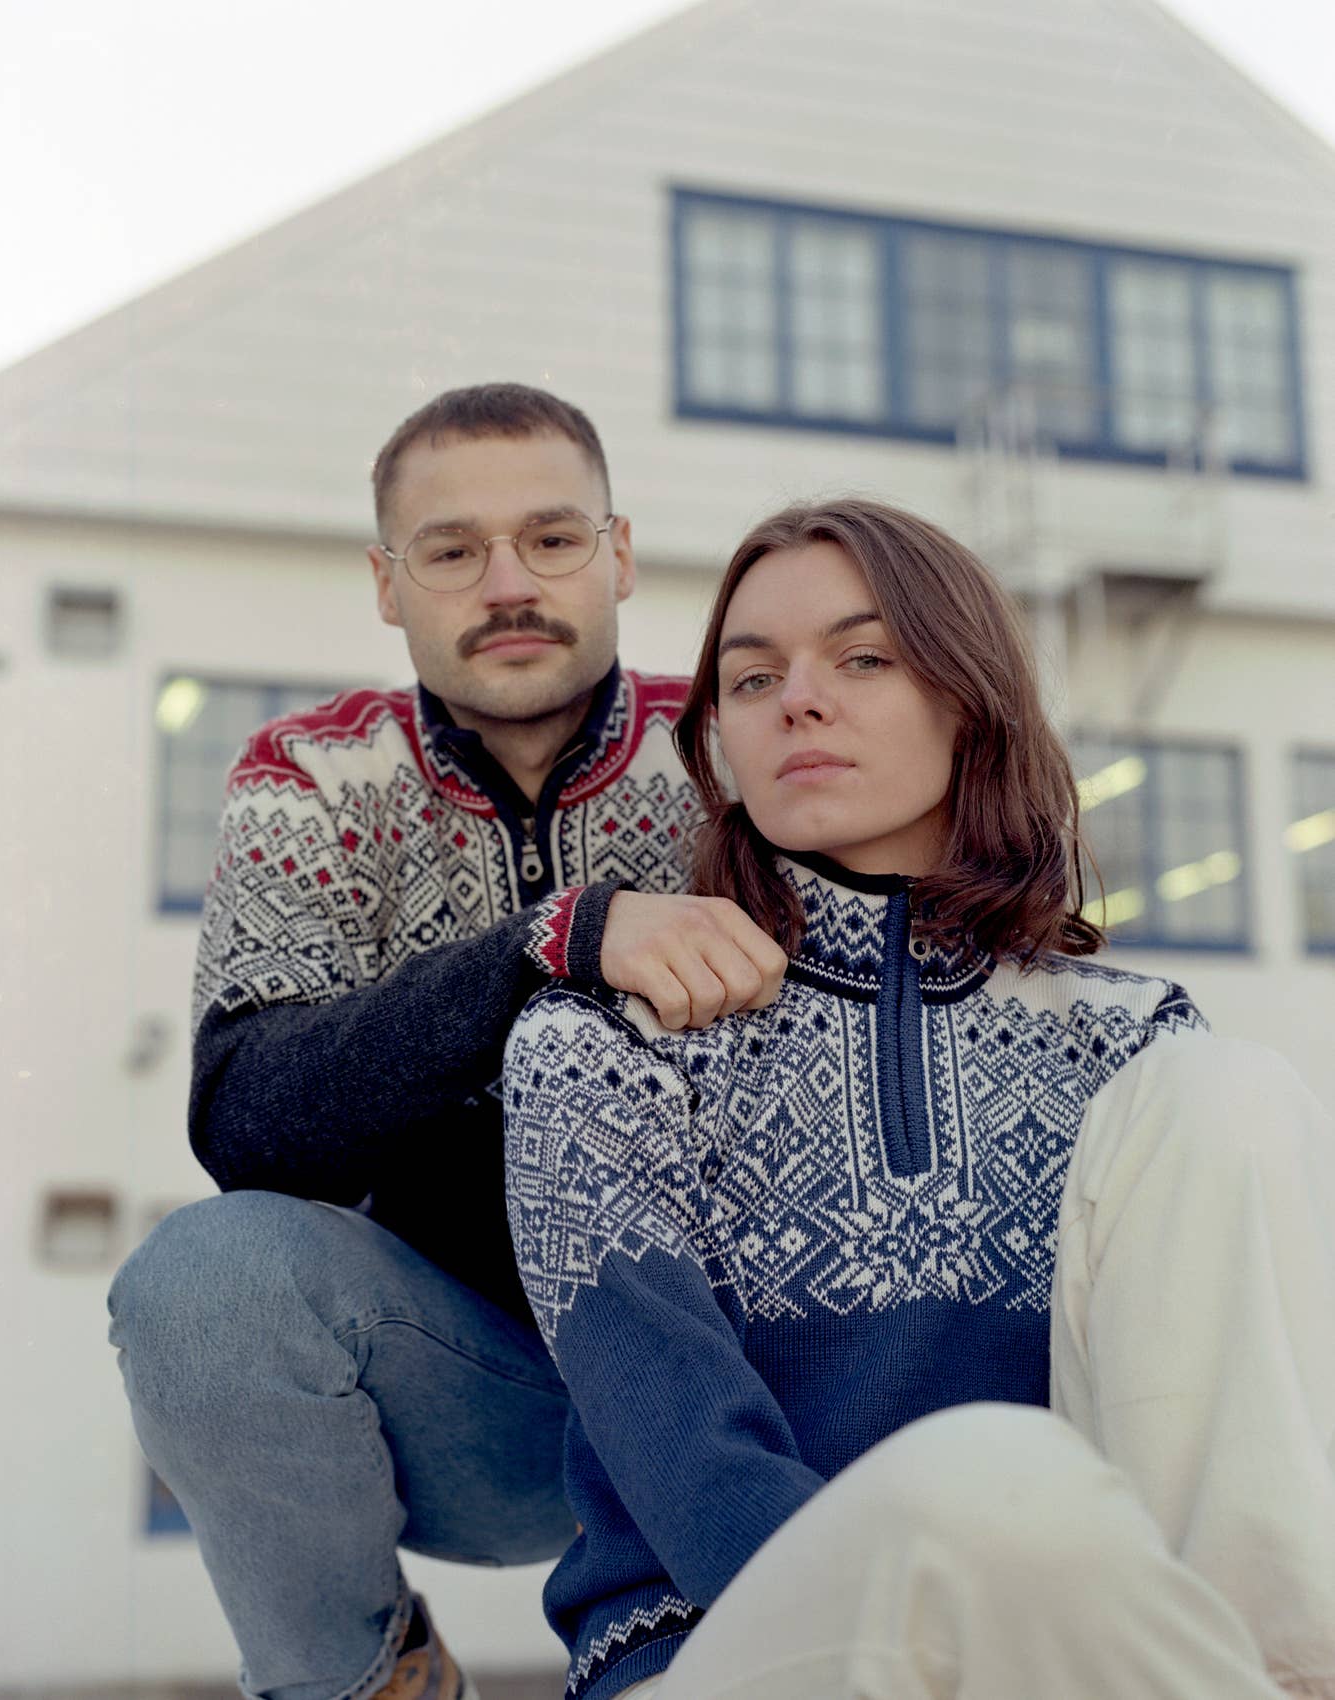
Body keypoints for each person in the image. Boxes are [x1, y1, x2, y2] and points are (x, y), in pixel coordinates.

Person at [502, 497, 1335, 1700]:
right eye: (750, 677)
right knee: (990, 1473)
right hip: (732, 1653)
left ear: (966, 696)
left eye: (862, 657)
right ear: (721, 744)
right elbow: (689, 1468)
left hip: (1088, 1654)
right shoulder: (603, 1041)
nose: (797, 698)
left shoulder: (1133, 1040)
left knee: (1230, 1090)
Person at [107, 383, 788, 1700]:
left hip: (745, 1388)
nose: (507, 584)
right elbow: (247, 1116)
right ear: (386, 582)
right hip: (480, 1401)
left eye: (549, 538)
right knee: (205, 1279)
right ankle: (368, 1684)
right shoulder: (309, 776)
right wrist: (545, 945)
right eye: (451, 550)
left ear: (620, 553)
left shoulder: (735, 748)